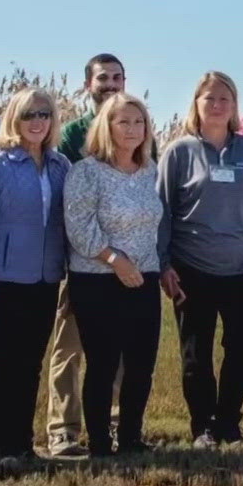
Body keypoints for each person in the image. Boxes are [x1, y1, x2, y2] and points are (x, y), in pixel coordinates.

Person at [159, 72, 243, 447]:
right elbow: (161, 211)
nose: (217, 105)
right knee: (196, 355)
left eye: (225, 98)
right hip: (191, 270)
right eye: (209, 98)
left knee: (241, 351)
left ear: (234, 106)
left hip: (242, 271)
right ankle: (202, 427)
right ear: (196, 103)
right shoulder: (179, 152)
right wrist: (163, 265)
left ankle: (229, 423)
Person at [0, 88, 71, 461]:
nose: (37, 122)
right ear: (15, 119)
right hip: (3, 281)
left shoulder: (61, 167)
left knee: (30, 364)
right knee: (2, 363)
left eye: (44, 114)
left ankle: (23, 444)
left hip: (45, 281)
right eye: (29, 115)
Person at [63, 92, 168, 455]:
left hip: (144, 277)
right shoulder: (86, 171)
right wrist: (114, 260)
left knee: (141, 363)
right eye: (123, 121)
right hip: (98, 279)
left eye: (139, 122)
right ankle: (99, 442)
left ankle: (131, 438)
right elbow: (79, 226)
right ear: (106, 126)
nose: (132, 129)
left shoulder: (149, 171)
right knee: (104, 363)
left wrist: (140, 266)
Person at [46, 52, 130, 456]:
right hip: (79, 260)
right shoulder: (72, 136)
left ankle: (112, 422)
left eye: (116, 77)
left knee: (118, 351)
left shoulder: (135, 133)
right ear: (88, 86)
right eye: (102, 78)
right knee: (70, 347)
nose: (110, 84)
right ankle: (63, 428)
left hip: (128, 264)